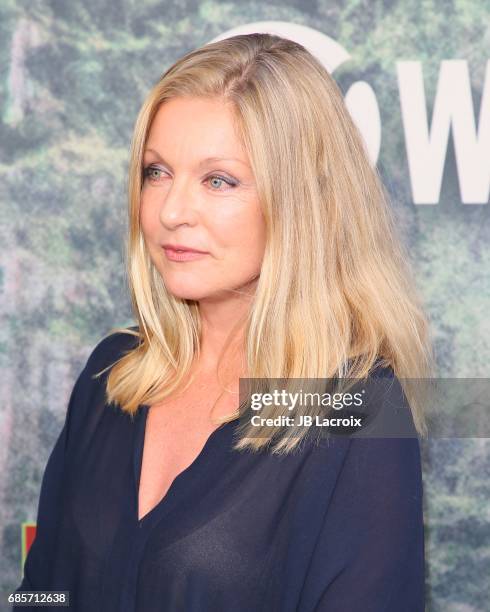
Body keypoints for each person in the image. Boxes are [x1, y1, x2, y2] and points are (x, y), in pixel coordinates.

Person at [13, 33, 435, 611]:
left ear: (302, 202)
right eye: (156, 172)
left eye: (219, 180)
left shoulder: (354, 407)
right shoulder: (113, 375)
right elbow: (46, 592)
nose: (171, 212)